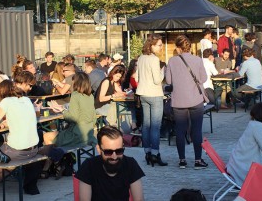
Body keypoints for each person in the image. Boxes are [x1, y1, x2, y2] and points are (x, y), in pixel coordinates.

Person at [0, 80, 40, 193]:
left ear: (2, 92)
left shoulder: (6, 101)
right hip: (33, 150)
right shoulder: (26, 100)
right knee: (2, 172)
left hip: (17, 151)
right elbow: (19, 119)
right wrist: (6, 123)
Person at [166, 35, 209, 169]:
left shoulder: (172, 61)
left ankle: (182, 160)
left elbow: (168, 81)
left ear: (178, 48)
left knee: (180, 130)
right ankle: (197, 160)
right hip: (195, 99)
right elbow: (203, 78)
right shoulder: (197, 60)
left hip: (178, 101)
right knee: (196, 130)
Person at [75, 125, 145, 201]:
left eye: (119, 151)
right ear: (99, 149)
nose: (114, 156)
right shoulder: (89, 166)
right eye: (108, 152)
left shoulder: (130, 164)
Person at [43, 72, 97, 148]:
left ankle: (57, 158)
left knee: (46, 136)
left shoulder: (75, 95)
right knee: (60, 133)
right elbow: (93, 116)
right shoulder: (90, 96)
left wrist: (62, 110)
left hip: (77, 135)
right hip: (89, 133)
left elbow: (73, 117)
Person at [136, 34, 167, 167]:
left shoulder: (141, 58)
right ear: (152, 45)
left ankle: (147, 152)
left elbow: (137, 77)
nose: (161, 47)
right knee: (155, 126)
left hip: (142, 93)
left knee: (146, 125)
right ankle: (155, 154)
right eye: (159, 45)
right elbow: (157, 80)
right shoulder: (154, 59)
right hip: (154, 94)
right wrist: (163, 71)